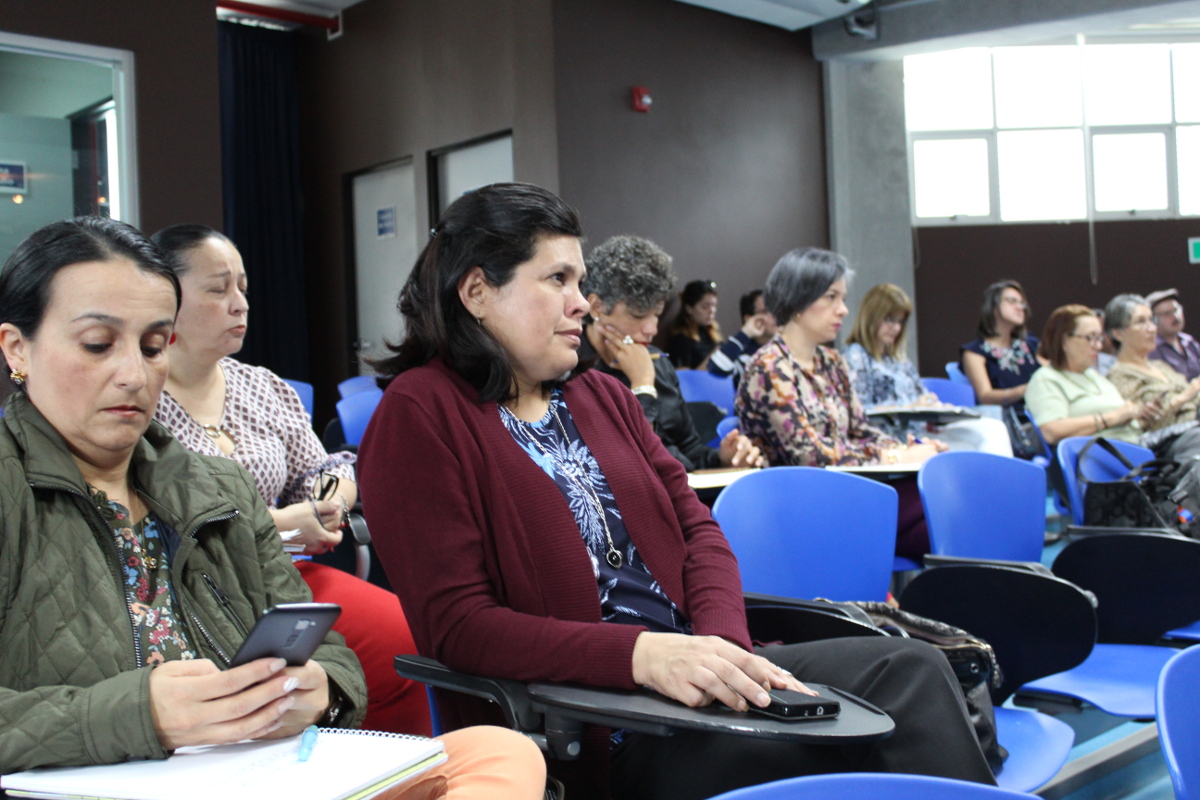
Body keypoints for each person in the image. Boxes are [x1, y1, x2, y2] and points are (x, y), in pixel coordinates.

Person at [356, 184, 995, 800]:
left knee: (913, 673)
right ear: (477, 292)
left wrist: (722, 647)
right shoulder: (419, 415)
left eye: (582, 282)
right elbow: (460, 628)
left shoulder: (601, 395)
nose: (583, 302)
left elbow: (699, 531)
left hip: (700, 674)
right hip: (598, 722)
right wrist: (643, 656)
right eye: (558, 280)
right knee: (839, 749)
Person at [0, 217, 545, 799]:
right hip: (102, 784)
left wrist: (319, 691)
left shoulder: (217, 487)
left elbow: (328, 653)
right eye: (97, 345)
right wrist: (143, 713)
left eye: (154, 346)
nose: (134, 373)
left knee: (495, 751)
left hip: (257, 774)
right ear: (17, 349)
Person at [149, 224, 429, 736]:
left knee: (402, 638)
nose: (240, 304)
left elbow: (328, 469)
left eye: (244, 288)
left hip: (283, 577)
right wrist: (279, 522)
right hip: (193, 584)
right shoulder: (139, 399)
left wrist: (327, 505)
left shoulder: (261, 386)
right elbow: (163, 521)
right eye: (218, 289)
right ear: (165, 299)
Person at [737, 249, 946, 561]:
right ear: (797, 300)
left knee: (943, 518)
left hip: (847, 493)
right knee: (943, 503)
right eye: (831, 297)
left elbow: (861, 431)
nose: (844, 310)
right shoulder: (770, 366)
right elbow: (810, 456)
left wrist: (910, 447)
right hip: (797, 506)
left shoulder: (832, 362)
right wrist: (893, 456)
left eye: (843, 298)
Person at [580, 235, 762, 472]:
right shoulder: (571, 370)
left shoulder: (659, 363)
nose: (652, 329)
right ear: (596, 307)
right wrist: (643, 386)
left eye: (656, 313)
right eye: (638, 315)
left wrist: (722, 458)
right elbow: (623, 465)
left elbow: (689, 448)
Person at [842, 283, 1012, 456]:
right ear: (871, 317)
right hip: (894, 438)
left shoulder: (898, 360)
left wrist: (933, 404)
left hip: (924, 430)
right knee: (980, 445)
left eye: (900, 322)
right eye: (889, 320)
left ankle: (1001, 482)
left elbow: (921, 396)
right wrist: (908, 406)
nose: (896, 328)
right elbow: (859, 411)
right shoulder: (856, 356)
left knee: (993, 428)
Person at [1024, 304, 1160, 447]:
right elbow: (1050, 431)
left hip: (1136, 444)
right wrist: (1112, 418)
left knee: (1185, 434)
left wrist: (1136, 416)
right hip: (1105, 455)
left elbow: (1122, 418)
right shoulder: (1046, 379)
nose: (1098, 346)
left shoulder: (1095, 376)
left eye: (1099, 338)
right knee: (1185, 439)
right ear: (1064, 341)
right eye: (1090, 338)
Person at [1102, 294, 1200, 460]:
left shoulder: (1161, 366)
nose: (1152, 328)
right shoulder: (1119, 376)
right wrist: (1183, 397)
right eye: (1141, 322)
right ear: (1118, 333)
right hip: (1170, 447)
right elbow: (1140, 427)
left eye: (1151, 320)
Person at [960, 280, 1041, 406]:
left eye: (1022, 303)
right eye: (1012, 301)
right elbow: (985, 396)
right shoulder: (974, 353)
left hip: (1041, 412)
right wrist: (1025, 390)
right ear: (993, 306)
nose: (1020, 308)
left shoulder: (1032, 345)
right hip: (1006, 417)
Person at [708, 289, 776, 387]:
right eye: (766, 311)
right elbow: (716, 369)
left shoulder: (785, 349)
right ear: (750, 318)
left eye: (776, 310)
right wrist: (746, 332)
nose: (775, 316)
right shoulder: (742, 357)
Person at [1146, 288, 1200, 381]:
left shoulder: (1190, 342)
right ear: (1154, 320)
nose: (1175, 317)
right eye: (1167, 314)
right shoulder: (1151, 349)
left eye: (1176, 310)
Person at [667, 279, 720, 369]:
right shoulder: (681, 341)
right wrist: (715, 357)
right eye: (706, 306)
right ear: (689, 309)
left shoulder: (711, 334)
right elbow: (683, 378)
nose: (712, 311)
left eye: (714, 305)